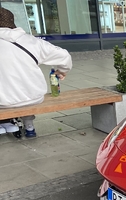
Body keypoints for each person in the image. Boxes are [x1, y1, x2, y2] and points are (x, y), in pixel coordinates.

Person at [0, 7, 72, 137]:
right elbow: (64, 55)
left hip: (2, 102)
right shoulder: (31, 41)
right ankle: (29, 126)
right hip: (34, 97)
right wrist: (61, 71)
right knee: (23, 87)